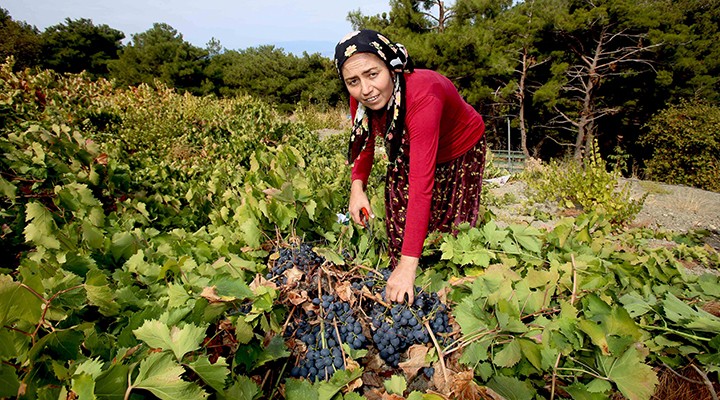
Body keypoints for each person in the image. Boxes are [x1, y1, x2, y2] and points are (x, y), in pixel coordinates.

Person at [334, 30, 486, 304]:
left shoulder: (423, 96)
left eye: (372, 74)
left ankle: (442, 281)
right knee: (397, 207)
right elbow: (364, 140)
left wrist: (408, 266)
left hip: (458, 146)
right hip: (410, 141)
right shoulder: (362, 95)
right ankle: (406, 269)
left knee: (450, 221)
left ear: (391, 67)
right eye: (353, 81)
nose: (365, 89)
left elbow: (421, 187)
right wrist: (357, 188)